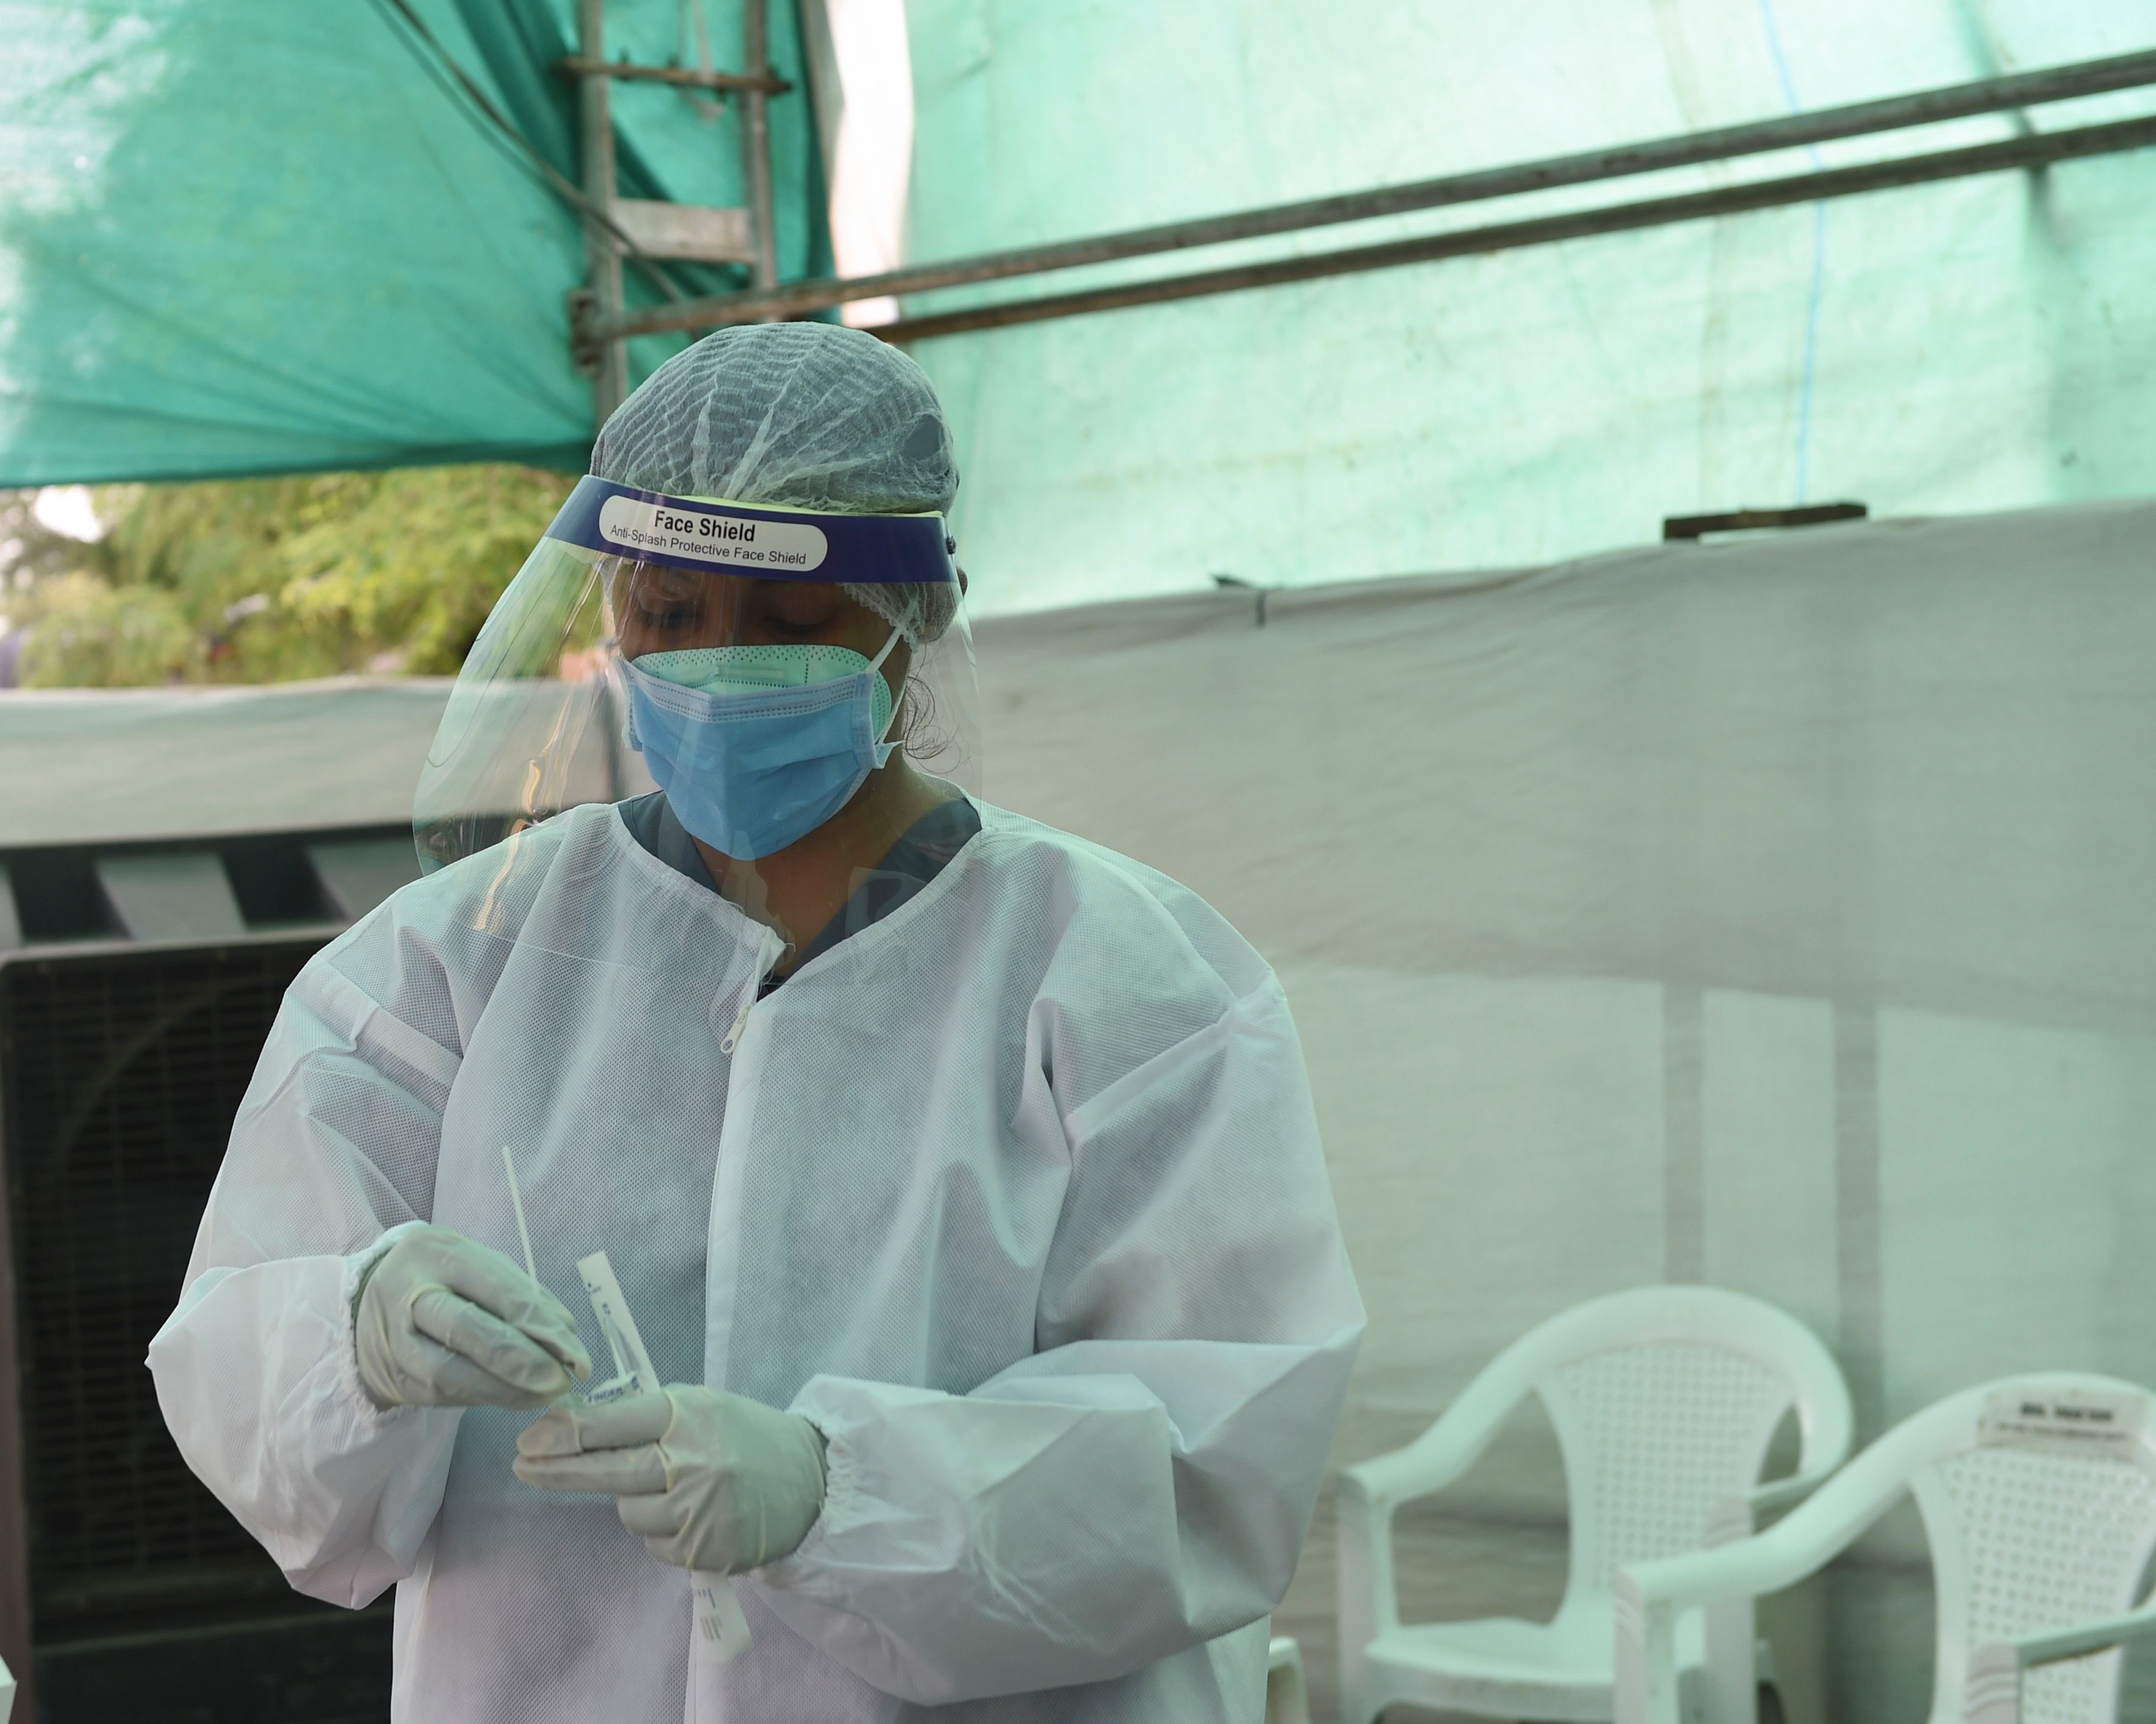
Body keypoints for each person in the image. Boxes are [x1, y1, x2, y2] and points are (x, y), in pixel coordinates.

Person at [150, 322, 1363, 1723]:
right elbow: (232, 1359)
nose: (718, 669)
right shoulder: (443, 970)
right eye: (668, 618)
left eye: (790, 629)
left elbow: (1220, 1459)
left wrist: (842, 1497)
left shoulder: (1133, 986)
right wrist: (349, 1332)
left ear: (916, 623)